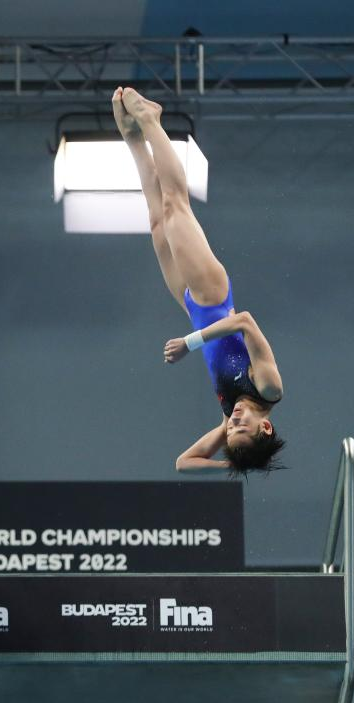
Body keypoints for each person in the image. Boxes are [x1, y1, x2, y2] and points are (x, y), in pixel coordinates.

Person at [112, 86, 285, 478]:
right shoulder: (268, 388)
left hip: (191, 305)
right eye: (243, 427)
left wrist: (235, 461)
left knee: (157, 220)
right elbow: (245, 322)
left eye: (231, 431)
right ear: (265, 427)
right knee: (175, 204)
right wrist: (190, 344)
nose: (234, 422)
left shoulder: (229, 415)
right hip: (214, 295)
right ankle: (151, 119)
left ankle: (133, 138)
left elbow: (183, 463)